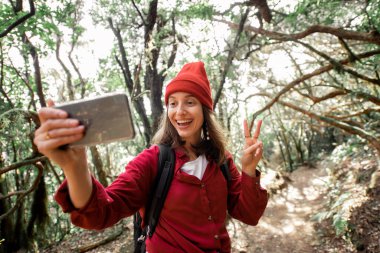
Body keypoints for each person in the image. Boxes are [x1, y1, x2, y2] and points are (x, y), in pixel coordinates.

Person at [34, 61, 268, 253]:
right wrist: (75, 168)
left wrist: (248, 170)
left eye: (190, 102)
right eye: (173, 103)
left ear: (204, 110)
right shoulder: (153, 161)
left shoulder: (221, 160)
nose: (179, 111)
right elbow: (103, 212)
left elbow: (248, 214)